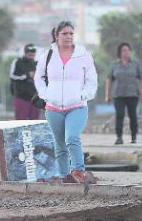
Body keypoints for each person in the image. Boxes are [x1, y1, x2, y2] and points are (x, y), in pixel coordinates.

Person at [34, 21, 98, 184]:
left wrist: (83, 95)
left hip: (77, 106)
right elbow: (39, 78)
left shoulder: (83, 55)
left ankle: (78, 171)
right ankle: (64, 177)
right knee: (60, 144)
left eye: (71, 33)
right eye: (65, 33)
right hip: (53, 108)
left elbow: (92, 80)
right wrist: (45, 94)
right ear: (57, 36)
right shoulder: (47, 55)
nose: (68, 36)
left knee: (72, 138)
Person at [105, 42, 142, 144]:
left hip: (133, 94)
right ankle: (119, 137)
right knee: (119, 115)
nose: (126, 52)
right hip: (118, 94)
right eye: (124, 50)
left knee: (133, 115)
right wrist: (107, 94)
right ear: (120, 52)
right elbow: (109, 79)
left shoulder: (135, 64)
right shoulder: (115, 64)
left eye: (128, 50)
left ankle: (134, 137)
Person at [9, 43, 40, 120]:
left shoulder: (37, 63)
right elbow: (12, 76)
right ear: (25, 53)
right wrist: (26, 76)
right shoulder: (17, 62)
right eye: (29, 55)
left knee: (35, 122)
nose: (31, 56)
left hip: (35, 98)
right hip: (21, 97)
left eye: (33, 55)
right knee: (20, 121)